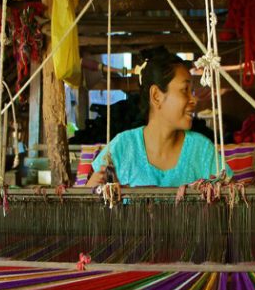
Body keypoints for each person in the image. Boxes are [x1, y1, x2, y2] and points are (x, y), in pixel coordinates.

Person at [87, 48, 231, 187]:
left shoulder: (202, 151)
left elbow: (233, 198)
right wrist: (91, 190)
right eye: (185, 90)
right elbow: (88, 200)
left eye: (191, 91)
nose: (194, 99)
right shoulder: (121, 148)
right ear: (156, 96)